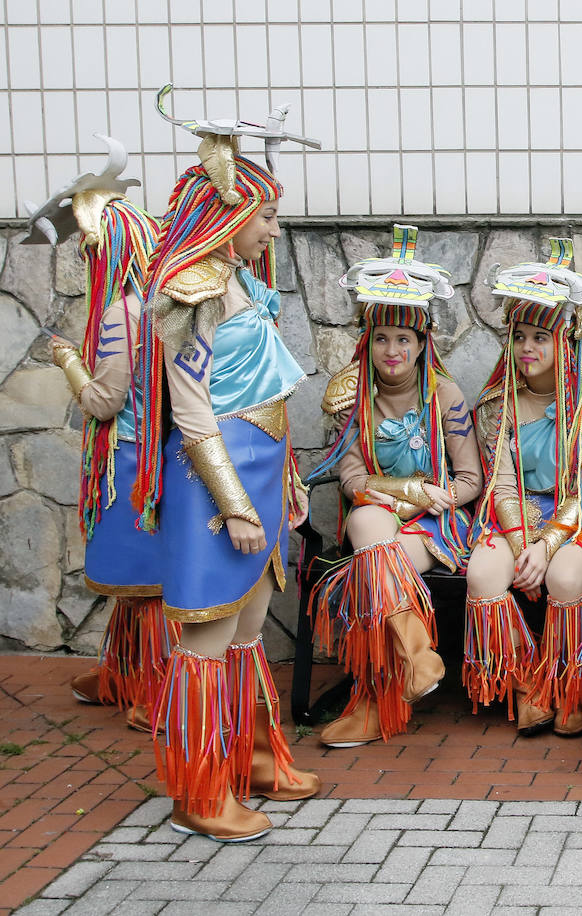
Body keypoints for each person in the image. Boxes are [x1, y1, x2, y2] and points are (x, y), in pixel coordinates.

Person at [133, 105, 321, 842]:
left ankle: (252, 758)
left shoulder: (235, 279)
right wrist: (238, 504)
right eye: (267, 215)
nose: (275, 229)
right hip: (218, 483)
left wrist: (286, 484)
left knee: (246, 628)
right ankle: (199, 793)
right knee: (206, 640)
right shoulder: (194, 291)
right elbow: (192, 411)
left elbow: (264, 393)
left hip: (261, 470)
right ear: (232, 211)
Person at [307, 226, 483, 747]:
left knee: (373, 568)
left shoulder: (444, 394)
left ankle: (373, 699)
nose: (391, 350)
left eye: (403, 339)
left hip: (434, 521)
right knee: (366, 522)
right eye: (381, 338)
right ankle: (415, 658)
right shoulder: (355, 396)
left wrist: (437, 497)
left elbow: (471, 479)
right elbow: (352, 475)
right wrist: (392, 491)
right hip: (378, 513)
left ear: (421, 342)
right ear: (368, 341)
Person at [25, 135, 179, 731]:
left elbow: (103, 400)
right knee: (138, 579)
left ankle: (155, 687)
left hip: (130, 464)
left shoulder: (120, 313)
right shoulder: (158, 304)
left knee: (141, 580)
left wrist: (67, 360)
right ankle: (124, 673)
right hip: (155, 459)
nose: (86, 261)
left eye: (90, 250)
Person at [465, 239, 582, 737]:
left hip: (573, 519)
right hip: (510, 516)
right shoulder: (495, 404)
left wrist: (547, 545)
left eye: (540, 338)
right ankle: (526, 683)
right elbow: (500, 484)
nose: (527, 348)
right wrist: (522, 545)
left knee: (567, 579)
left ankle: (571, 684)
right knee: (483, 574)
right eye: (519, 336)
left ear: (563, 343)